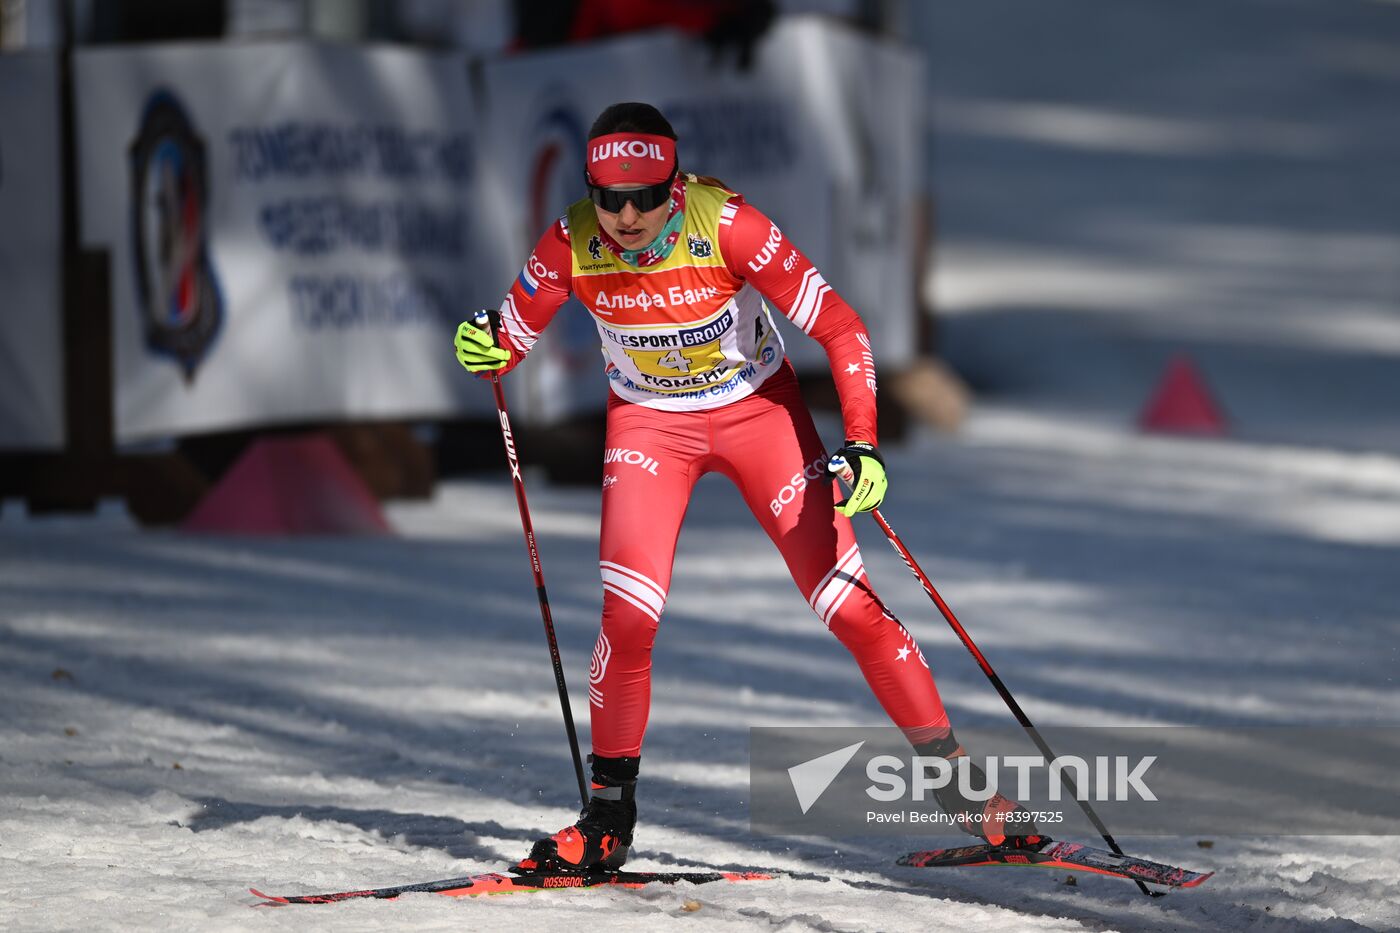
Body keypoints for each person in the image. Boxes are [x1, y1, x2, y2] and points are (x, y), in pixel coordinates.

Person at [454, 102, 1038, 872]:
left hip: (759, 415)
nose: (627, 215)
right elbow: (510, 338)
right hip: (649, 428)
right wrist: (485, 346)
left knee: (851, 609)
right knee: (627, 621)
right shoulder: (571, 240)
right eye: (610, 197)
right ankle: (606, 819)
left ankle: (969, 796)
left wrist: (861, 442)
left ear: (674, 183)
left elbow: (841, 327)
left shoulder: (730, 226)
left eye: (646, 196)